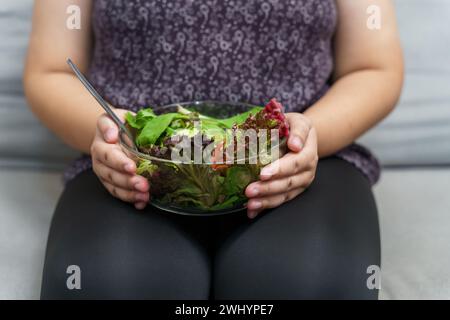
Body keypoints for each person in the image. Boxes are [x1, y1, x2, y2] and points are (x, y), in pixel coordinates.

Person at [24, 0, 403, 299]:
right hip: (136, 169)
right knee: (105, 285)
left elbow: (372, 66)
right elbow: (51, 71)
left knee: (302, 282)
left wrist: (306, 135)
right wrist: (114, 135)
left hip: (295, 165)